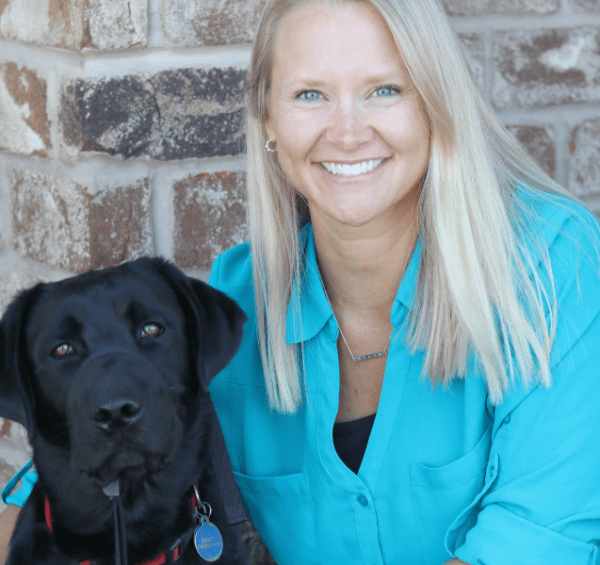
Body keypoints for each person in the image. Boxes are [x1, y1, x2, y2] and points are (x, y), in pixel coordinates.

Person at [1, 0, 600, 564]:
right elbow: (68, 474)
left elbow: (540, 540)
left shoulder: (548, 266)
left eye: (384, 90)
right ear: (269, 119)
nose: (347, 132)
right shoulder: (236, 305)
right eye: (310, 94)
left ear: (436, 105)